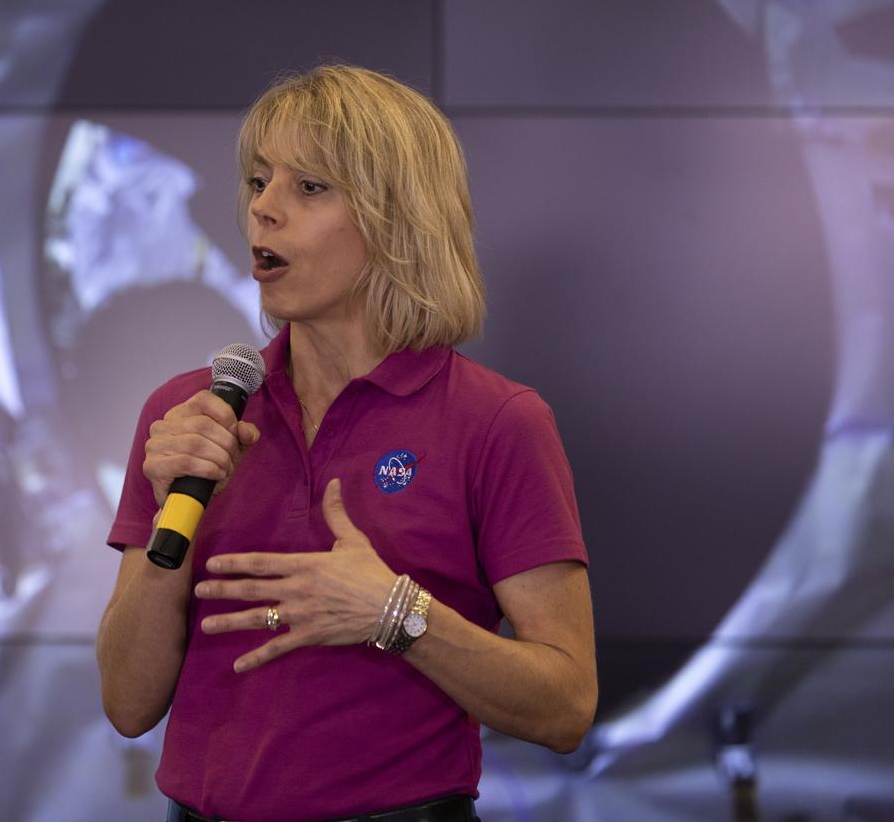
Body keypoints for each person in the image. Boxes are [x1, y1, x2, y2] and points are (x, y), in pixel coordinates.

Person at [96, 64, 596, 822]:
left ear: (398, 219)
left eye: (309, 187)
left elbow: (565, 705)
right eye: (260, 181)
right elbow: (128, 704)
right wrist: (176, 499)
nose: (262, 208)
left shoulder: (497, 422)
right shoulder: (190, 414)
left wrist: (394, 613)